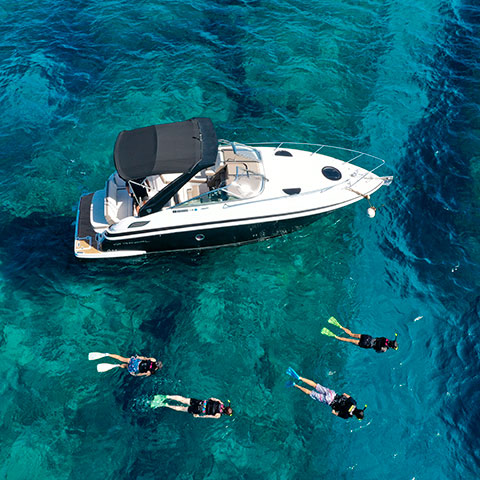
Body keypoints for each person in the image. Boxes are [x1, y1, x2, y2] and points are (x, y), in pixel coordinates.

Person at [286, 367, 366, 420]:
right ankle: (295, 385)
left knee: (315, 385)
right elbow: (333, 412)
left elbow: (345, 394)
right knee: (310, 393)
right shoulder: (346, 416)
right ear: (356, 416)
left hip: (332, 394)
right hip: (329, 401)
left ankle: (299, 377)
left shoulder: (354, 402)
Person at [322, 317, 398, 353]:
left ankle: (340, 326)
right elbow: (377, 351)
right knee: (349, 340)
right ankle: (335, 336)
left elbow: (379, 338)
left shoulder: (385, 339)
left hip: (368, 337)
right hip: (367, 344)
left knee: (351, 334)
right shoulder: (384, 349)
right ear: (391, 347)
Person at [156, 395, 233, 418]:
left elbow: (211, 398)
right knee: (183, 408)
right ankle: (165, 405)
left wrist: (206, 400)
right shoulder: (218, 415)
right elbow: (207, 416)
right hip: (199, 409)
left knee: (183, 399)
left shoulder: (220, 402)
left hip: (200, 402)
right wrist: (198, 416)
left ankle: (166, 397)